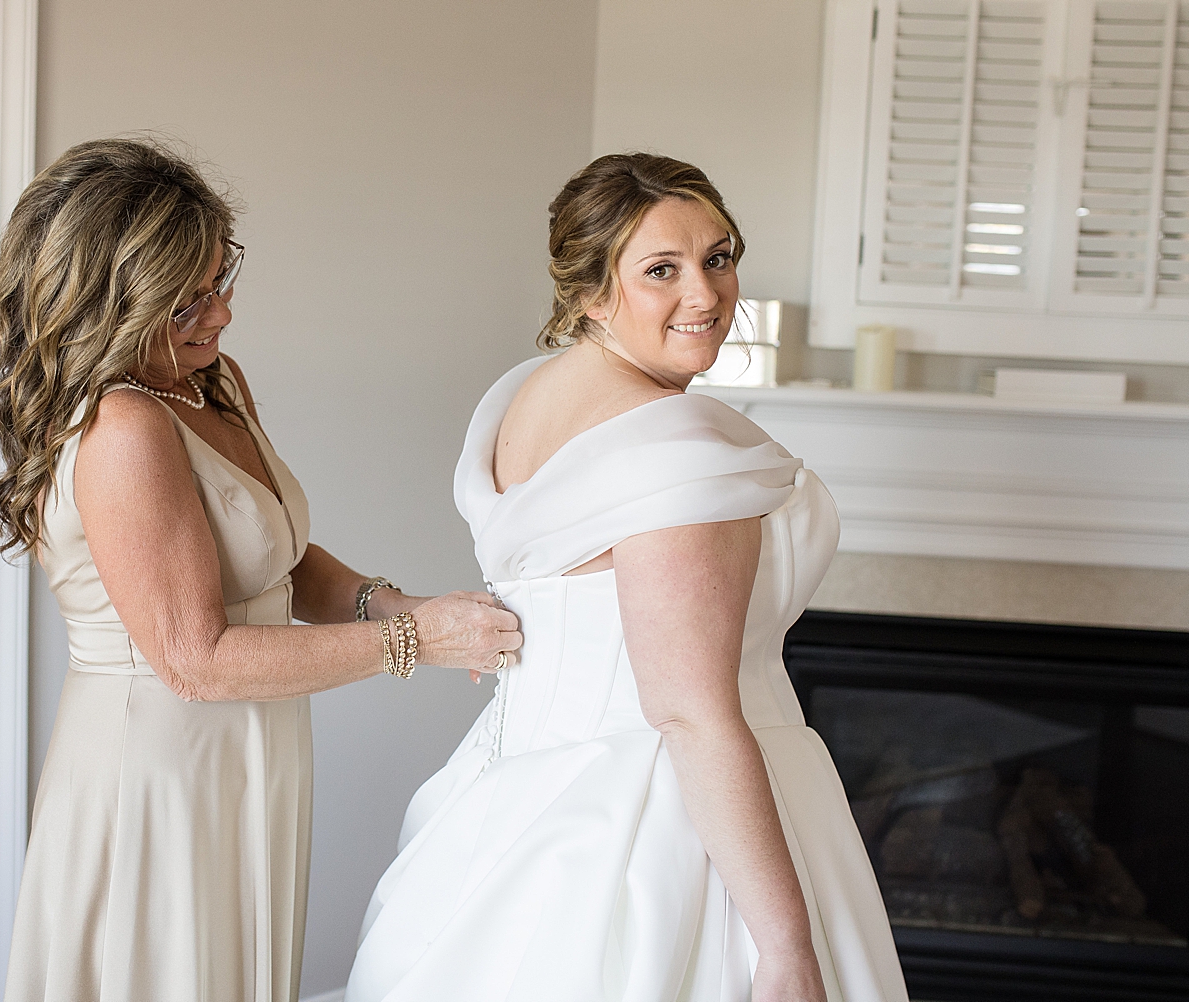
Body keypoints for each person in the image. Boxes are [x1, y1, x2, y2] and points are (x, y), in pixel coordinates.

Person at [345, 154, 908, 1002]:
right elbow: (687, 711)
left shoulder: (526, 401)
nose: (708, 295)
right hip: (672, 827)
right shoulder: (672, 451)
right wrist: (786, 948)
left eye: (718, 258)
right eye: (661, 271)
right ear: (588, 294)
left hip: (510, 805)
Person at [0, 138, 521, 1002]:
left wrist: (391, 604)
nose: (220, 316)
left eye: (219, 282)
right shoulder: (123, 426)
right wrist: (419, 644)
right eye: (187, 300)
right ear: (112, 300)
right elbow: (197, 659)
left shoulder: (207, 381)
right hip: (158, 767)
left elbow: (282, 560)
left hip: (249, 749)